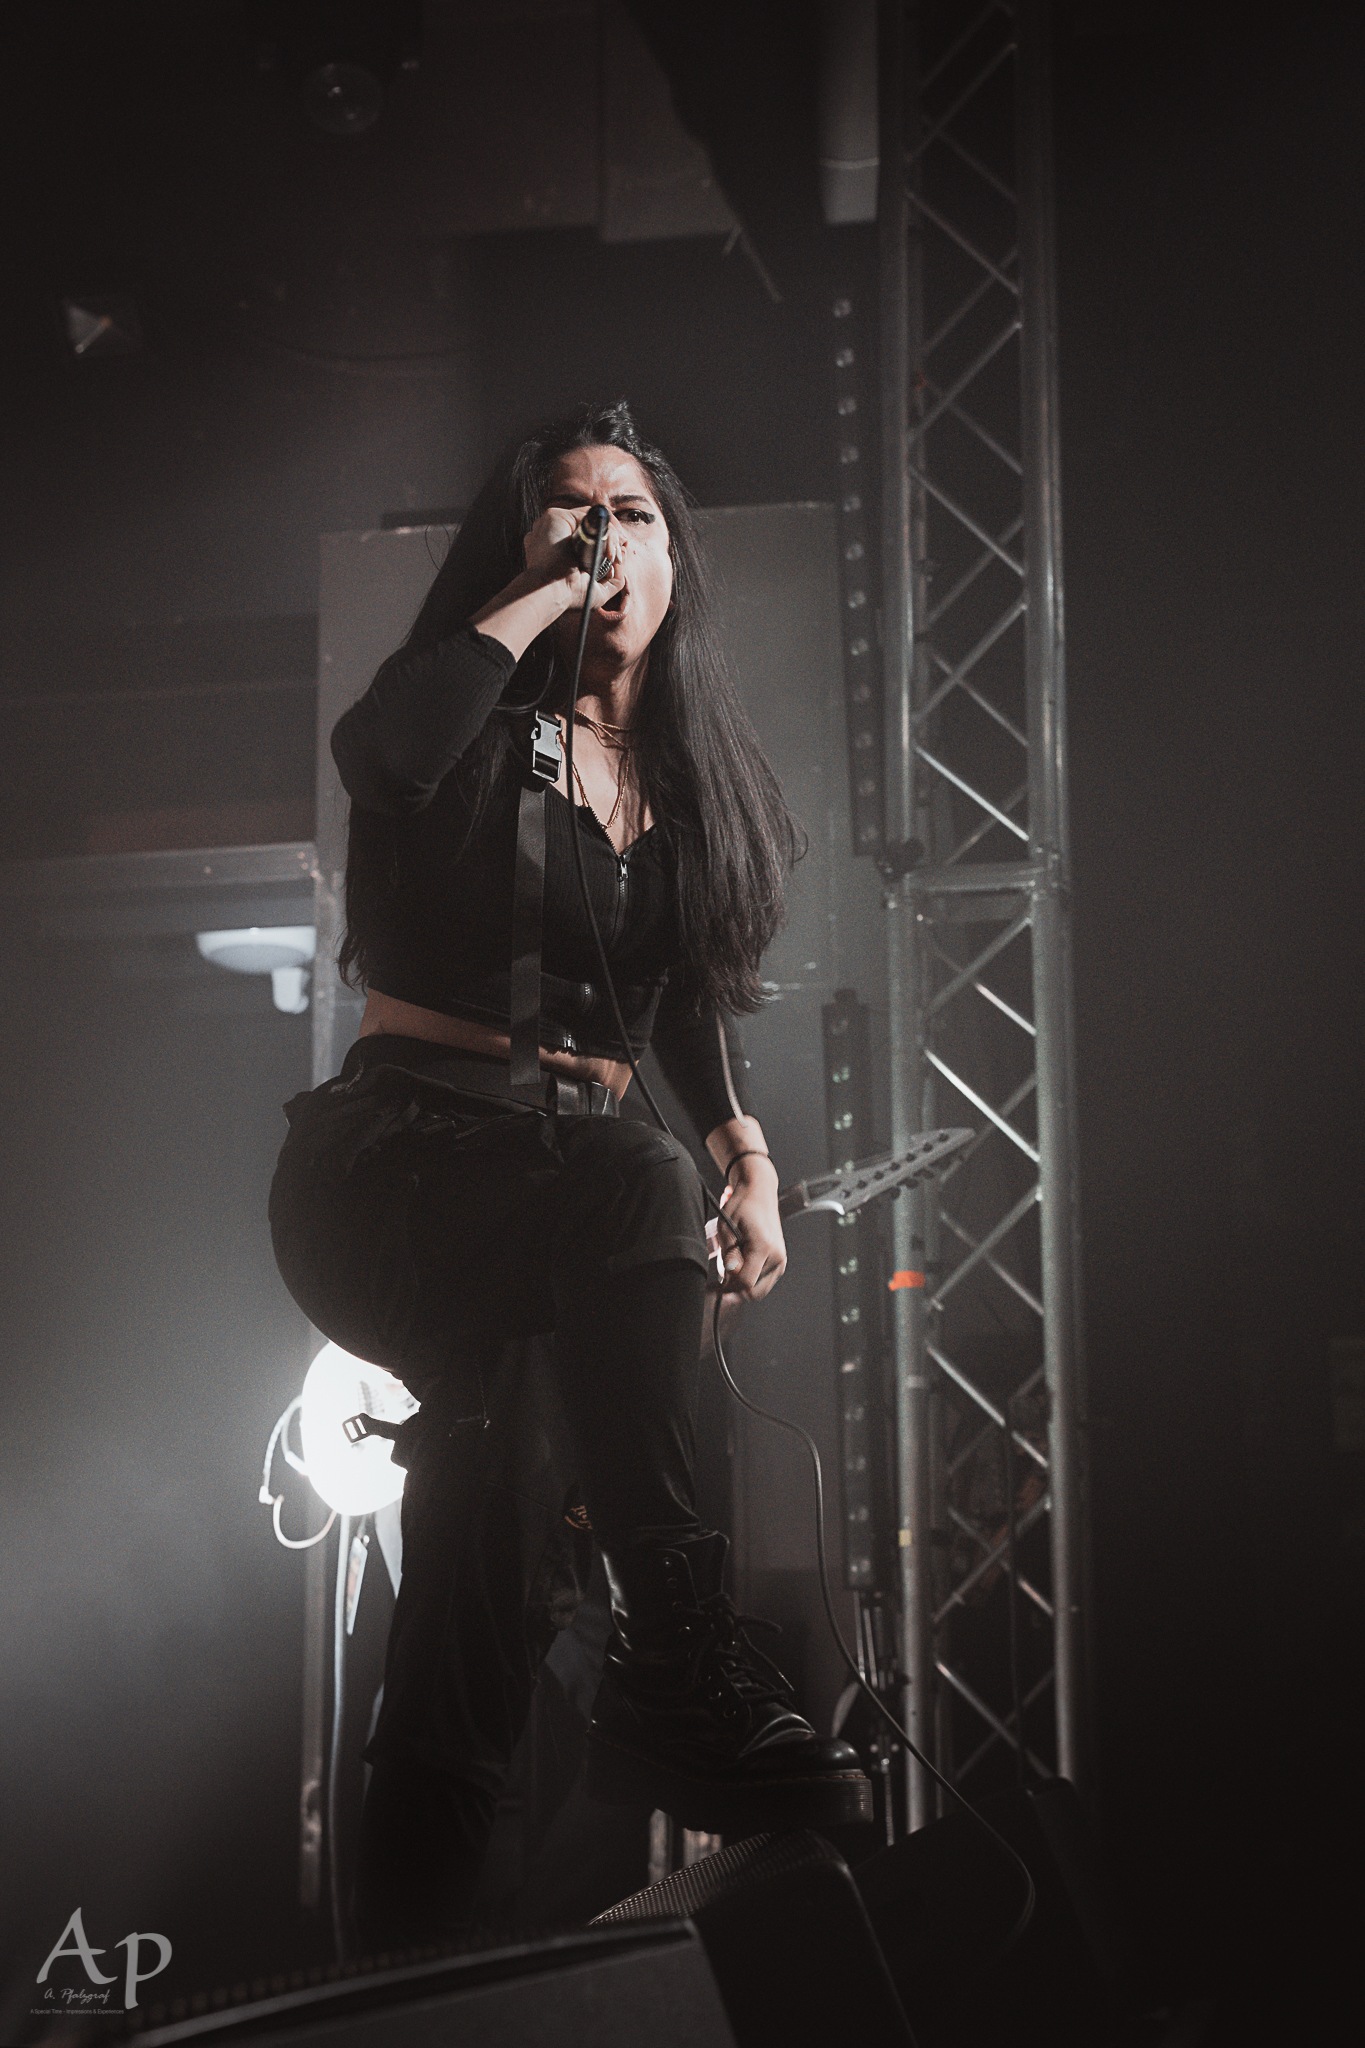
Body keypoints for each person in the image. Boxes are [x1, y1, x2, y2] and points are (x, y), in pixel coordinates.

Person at [269, 401, 869, 1944]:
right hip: (402, 1169)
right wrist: (534, 590)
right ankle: (677, 1659)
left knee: (481, 1579)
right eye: (573, 511)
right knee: (629, 1181)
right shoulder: (466, 719)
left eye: (633, 515)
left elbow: (675, 997)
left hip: (554, 1203)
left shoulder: (681, 778)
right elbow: (380, 757)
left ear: (677, 563)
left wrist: (743, 1153)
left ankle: (404, 1980)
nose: (605, 535)